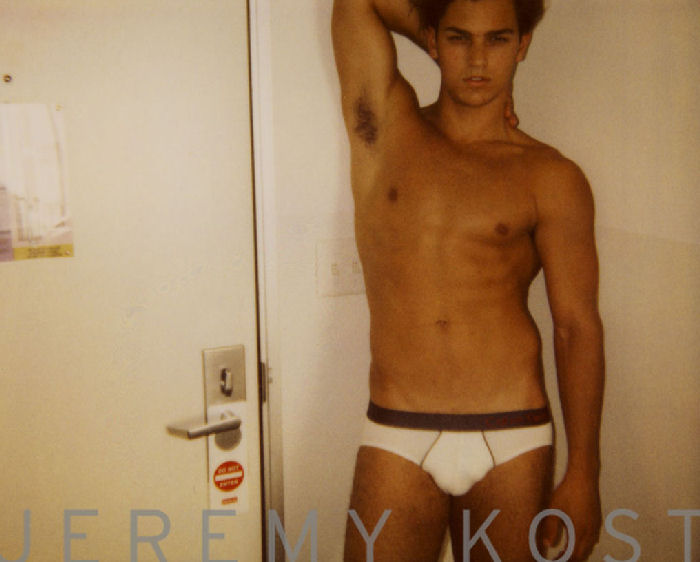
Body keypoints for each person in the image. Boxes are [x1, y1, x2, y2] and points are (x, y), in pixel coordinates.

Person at [331, 0, 604, 560]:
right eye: (460, 39)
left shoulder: (551, 176)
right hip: (397, 426)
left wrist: (584, 473)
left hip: (513, 433)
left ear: (522, 45)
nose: (478, 60)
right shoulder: (387, 132)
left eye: (498, 40)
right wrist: (438, 27)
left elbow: (577, 327)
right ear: (434, 41)